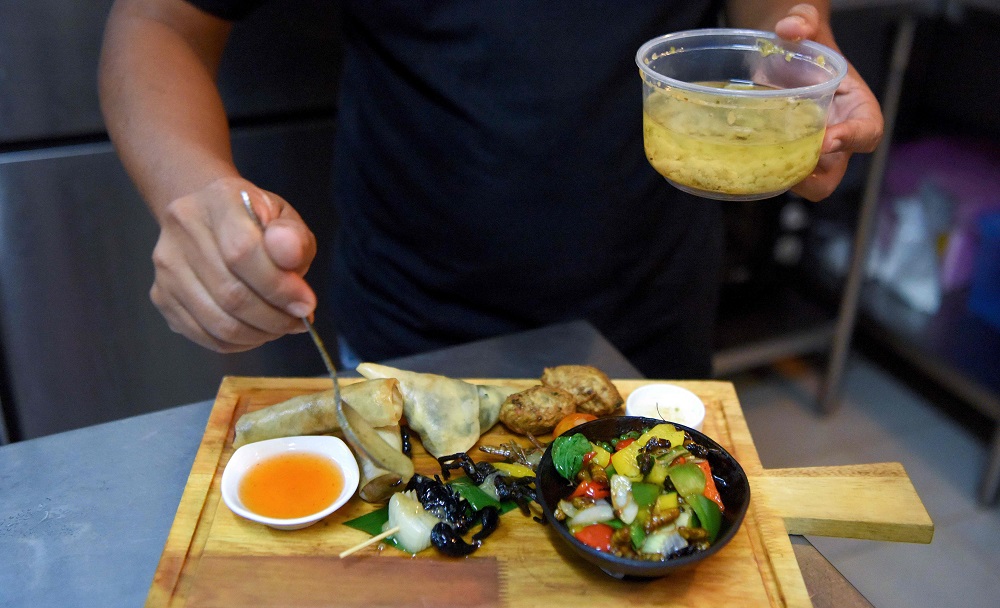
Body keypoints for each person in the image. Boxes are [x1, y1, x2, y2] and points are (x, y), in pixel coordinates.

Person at [98, 1, 882, 378]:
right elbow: (158, 24)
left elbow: (771, 16)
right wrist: (194, 192)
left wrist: (800, 71)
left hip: (650, 314)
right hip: (416, 332)